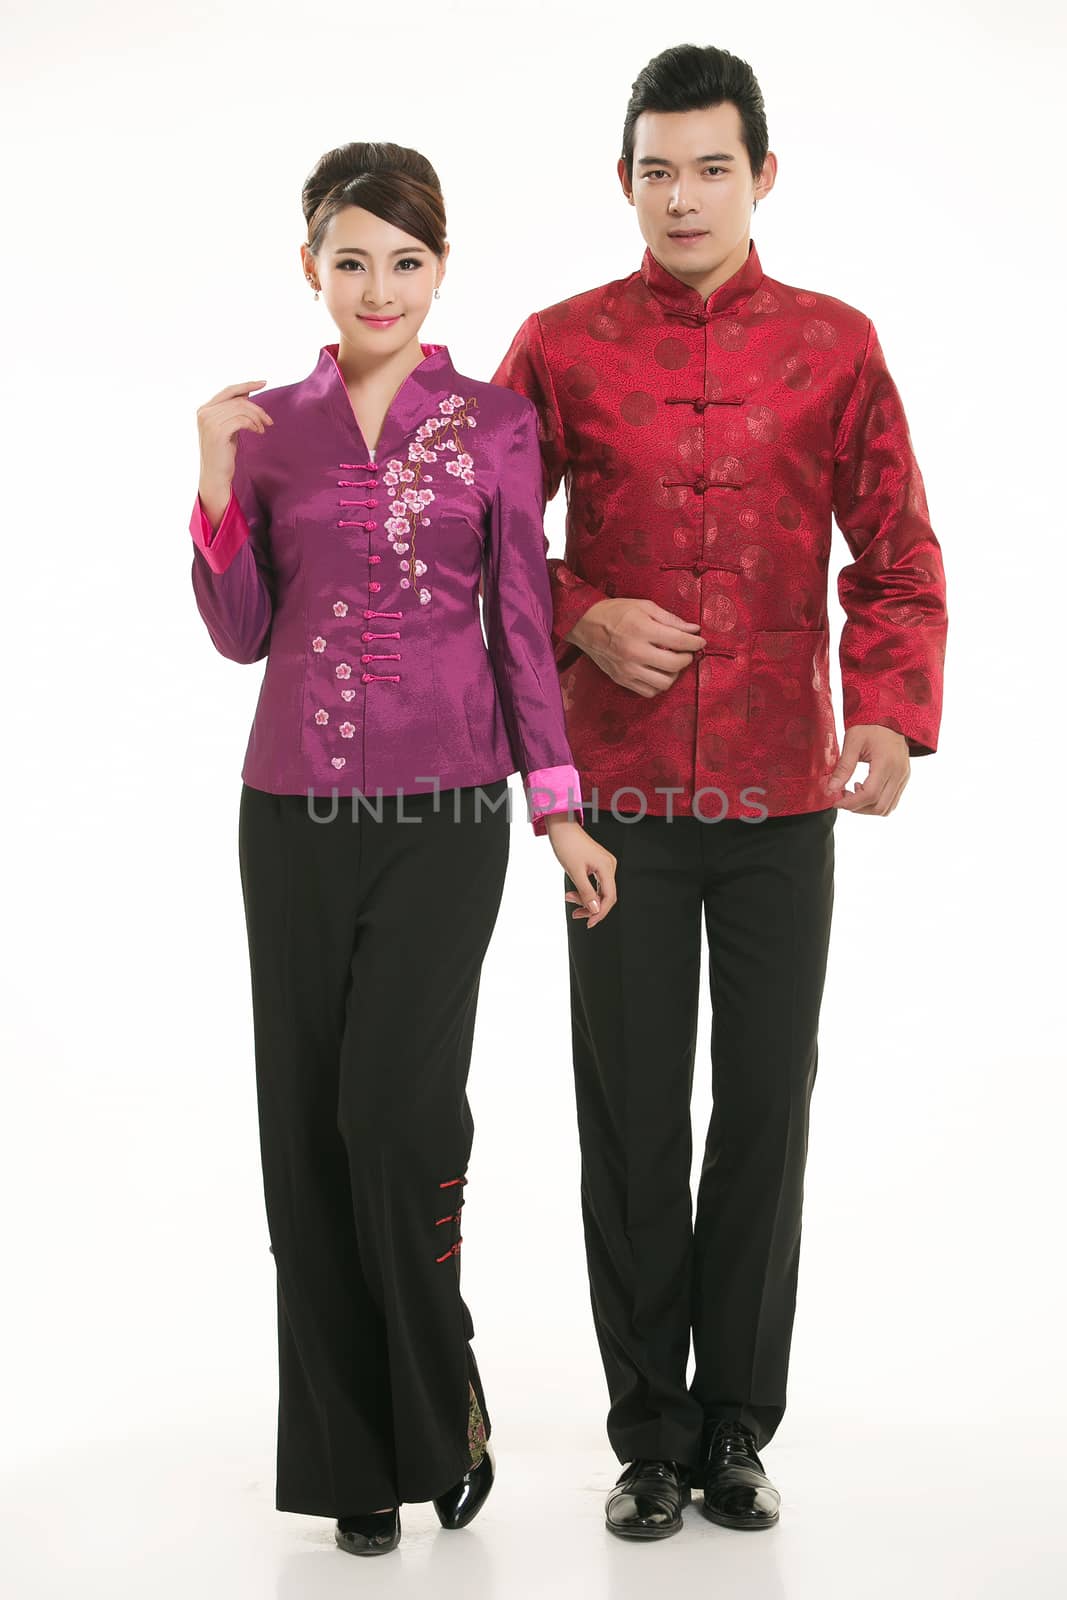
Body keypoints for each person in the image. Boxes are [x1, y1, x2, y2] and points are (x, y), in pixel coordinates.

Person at [493, 44, 948, 1541]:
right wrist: (583, 611)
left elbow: (895, 555)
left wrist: (886, 707)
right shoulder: (558, 347)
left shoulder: (836, 344)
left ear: (763, 175)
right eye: (653, 168)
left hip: (779, 800)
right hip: (613, 803)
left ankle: (738, 1426)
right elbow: (482, 549)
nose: (680, 196)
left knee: (762, 1110)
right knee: (631, 1117)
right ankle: (648, 1435)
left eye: (709, 166)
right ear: (622, 180)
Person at [188, 141, 618, 1558]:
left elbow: (516, 626)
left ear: (442, 269)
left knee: (394, 1119)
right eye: (352, 259)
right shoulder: (272, 427)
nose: (380, 287)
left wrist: (557, 810)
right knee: (306, 1141)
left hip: (444, 817)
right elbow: (242, 627)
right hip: (292, 816)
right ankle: (350, 1457)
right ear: (311, 265)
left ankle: (447, 1401)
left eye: (408, 261)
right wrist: (209, 480)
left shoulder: (494, 425)